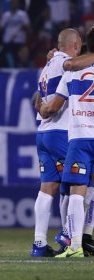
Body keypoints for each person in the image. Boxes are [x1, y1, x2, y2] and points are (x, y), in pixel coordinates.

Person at [32, 28, 94, 257]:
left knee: (48, 187)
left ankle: (39, 243)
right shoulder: (71, 63)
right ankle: (70, 233)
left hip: (44, 132)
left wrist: (40, 108)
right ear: (76, 44)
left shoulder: (47, 66)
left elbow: (39, 98)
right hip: (63, 132)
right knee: (75, 184)